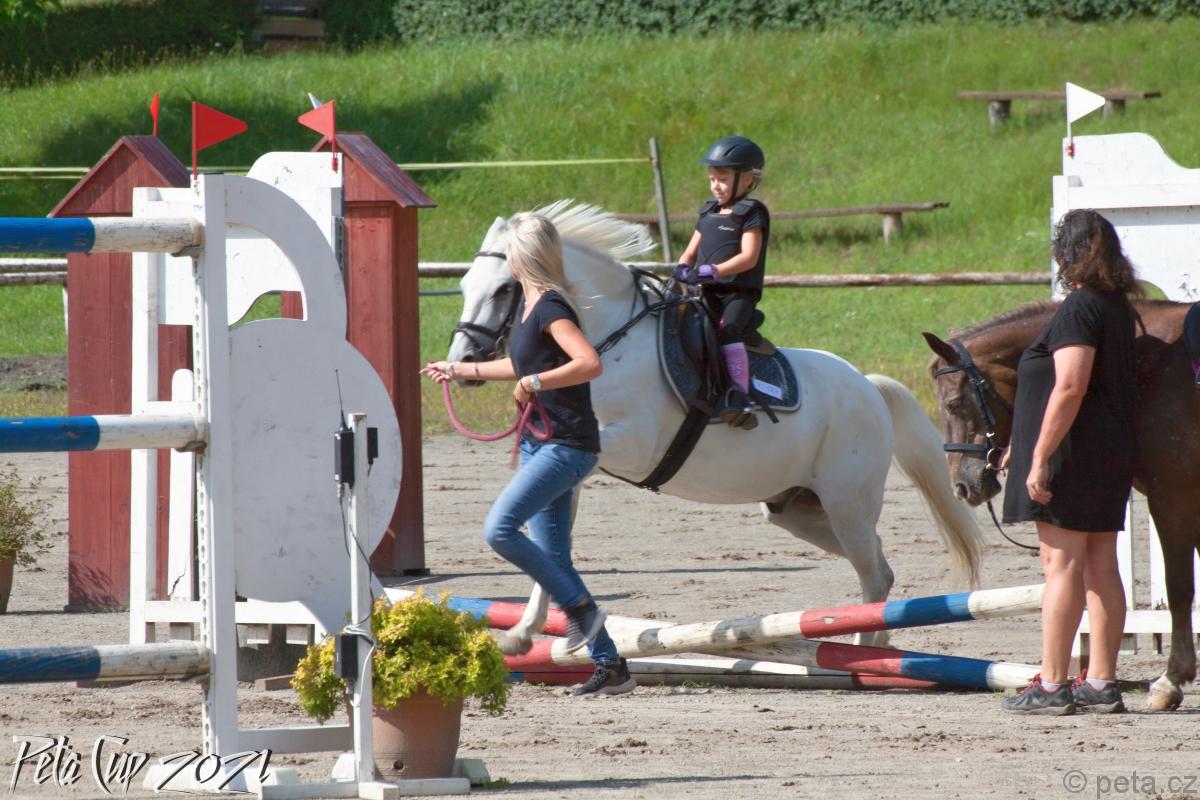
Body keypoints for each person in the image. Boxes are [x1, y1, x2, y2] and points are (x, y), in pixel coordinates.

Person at [421, 213, 635, 698]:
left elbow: (589, 363)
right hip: (543, 443)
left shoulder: (553, 306)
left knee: (499, 529)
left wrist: (535, 382)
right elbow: (521, 363)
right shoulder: (530, 305)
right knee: (554, 559)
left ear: (524, 257)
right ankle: (611, 665)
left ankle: (582, 611)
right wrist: (459, 369)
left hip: (566, 446)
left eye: (511, 253)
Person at [999, 209, 1139, 715]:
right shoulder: (1118, 307)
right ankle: (1100, 683)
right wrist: (1023, 442)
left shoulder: (1080, 308)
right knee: (1101, 565)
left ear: (1069, 253)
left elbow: (1071, 385)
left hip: (1073, 454)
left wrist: (1038, 456)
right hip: (1109, 449)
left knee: (1061, 566)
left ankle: (1053, 683)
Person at [674, 135, 770, 430]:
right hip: (706, 292)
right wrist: (682, 267)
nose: (716, 185)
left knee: (727, 330)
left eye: (723, 179)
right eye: (712, 179)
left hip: (737, 295)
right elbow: (690, 251)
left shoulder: (751, 213)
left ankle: (739, 396)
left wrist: (712, 271)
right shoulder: (708, 212)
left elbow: (749, 258)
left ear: (748, 180)